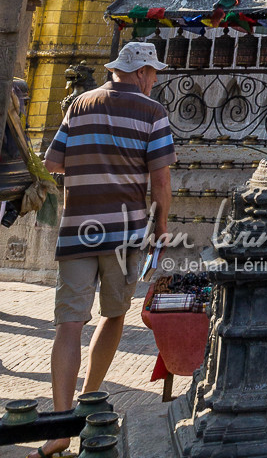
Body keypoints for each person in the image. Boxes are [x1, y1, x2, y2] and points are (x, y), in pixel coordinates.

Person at [41, 40, 175, 457]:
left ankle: (60, 427)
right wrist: (162, 227)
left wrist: (91, 161)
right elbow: (161, 180)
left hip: (77, 229)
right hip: (124, 233)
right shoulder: (153, 112)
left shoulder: (78, 104)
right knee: (113, 314)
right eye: (153, 73)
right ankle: (89, 399)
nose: (154, 81)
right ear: (141, 73)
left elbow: (52, 163)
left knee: (68, 324)